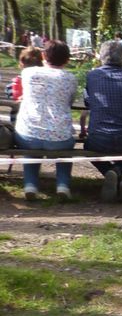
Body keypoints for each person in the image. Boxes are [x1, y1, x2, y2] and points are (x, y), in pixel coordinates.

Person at [12, 40, 78, 201]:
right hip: (59, 137)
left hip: (28, 134)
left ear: (43, 56)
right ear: (67, 59)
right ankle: (63, 185)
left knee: (30, 147)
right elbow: (69, 102)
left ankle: (30, 185)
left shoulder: (28, 73)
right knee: (66, 150)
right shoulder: (71, 78)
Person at [83, 40, 122, 202]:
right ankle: (118, 172)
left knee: (87, 147)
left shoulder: (92, 76)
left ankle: (109, 172)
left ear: (101, 57)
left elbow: (87, 101)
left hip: (99, 139)